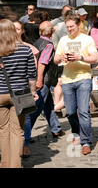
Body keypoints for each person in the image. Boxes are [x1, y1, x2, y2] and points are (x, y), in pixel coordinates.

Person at [54, 14, 98, 156]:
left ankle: (86, 141)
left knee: (84, 110)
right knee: (71, 112)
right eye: (67, 27)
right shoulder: (63, 40)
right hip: (67, 79)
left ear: (78, 25)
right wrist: (61, 57)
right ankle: (76, 133)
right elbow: (55, 59)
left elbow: (95, 58)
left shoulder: (87, 39)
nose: (69, 30)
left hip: (83, 78)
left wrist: (80, 57)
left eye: (72, 27)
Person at [0, 19, 38, 168]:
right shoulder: (26, 49)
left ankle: (4, 164)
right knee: (17, 131)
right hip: (20, 95)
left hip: (0, 94)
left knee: (3, 131)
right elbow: (31, 76)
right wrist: (33, 92)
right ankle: (15, 165)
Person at [24, 21, 64, 158]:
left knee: (48, 105)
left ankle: (56, 129)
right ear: (51, 32)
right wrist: (39, 80)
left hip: (42, 80)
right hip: (44, 81)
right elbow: (42, 64)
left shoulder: (37, 42)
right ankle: (25, 137)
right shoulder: (48, 44)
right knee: (36, 108)